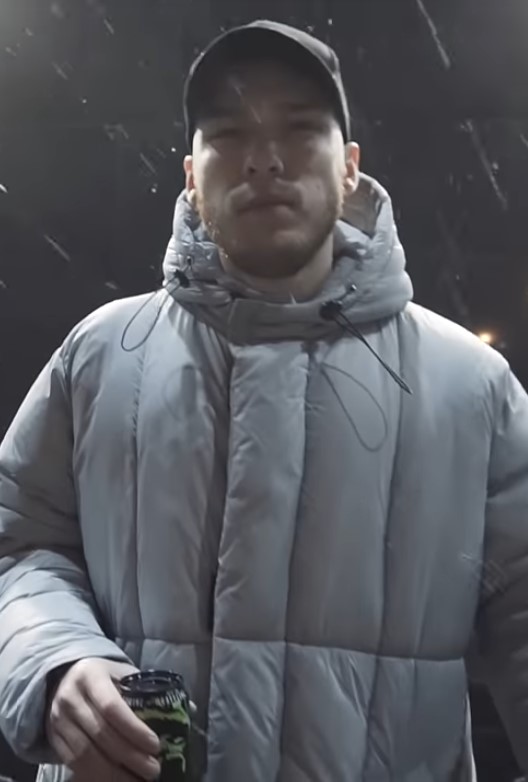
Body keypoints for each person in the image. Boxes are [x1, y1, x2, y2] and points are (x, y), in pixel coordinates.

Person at [0, 17, 527, 782]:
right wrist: (54, 658)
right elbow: (17, 546)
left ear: (350, 168)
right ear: (191, 174)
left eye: (300, 129)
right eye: (229, 134)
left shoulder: (473, 388)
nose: (264, 159)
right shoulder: (98, 356)